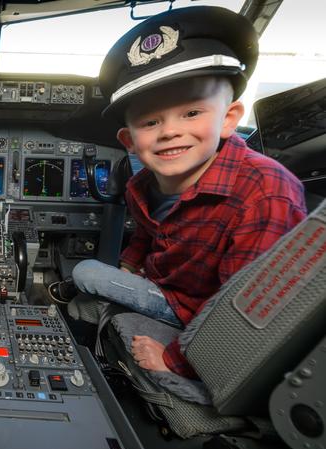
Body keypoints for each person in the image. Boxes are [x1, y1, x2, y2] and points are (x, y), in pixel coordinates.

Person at [68, 6, 307, 377]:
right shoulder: (141, 183)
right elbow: (146, 234)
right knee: (92, 277)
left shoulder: (265, 191)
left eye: (191, 113)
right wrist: (129, 269)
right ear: (129, 141)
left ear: (229, 118)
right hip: (166, 286)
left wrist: (174, 359)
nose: (169, 132)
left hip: (199, 308)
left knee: (85, 272)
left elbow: (245, 312)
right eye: (151, 121)